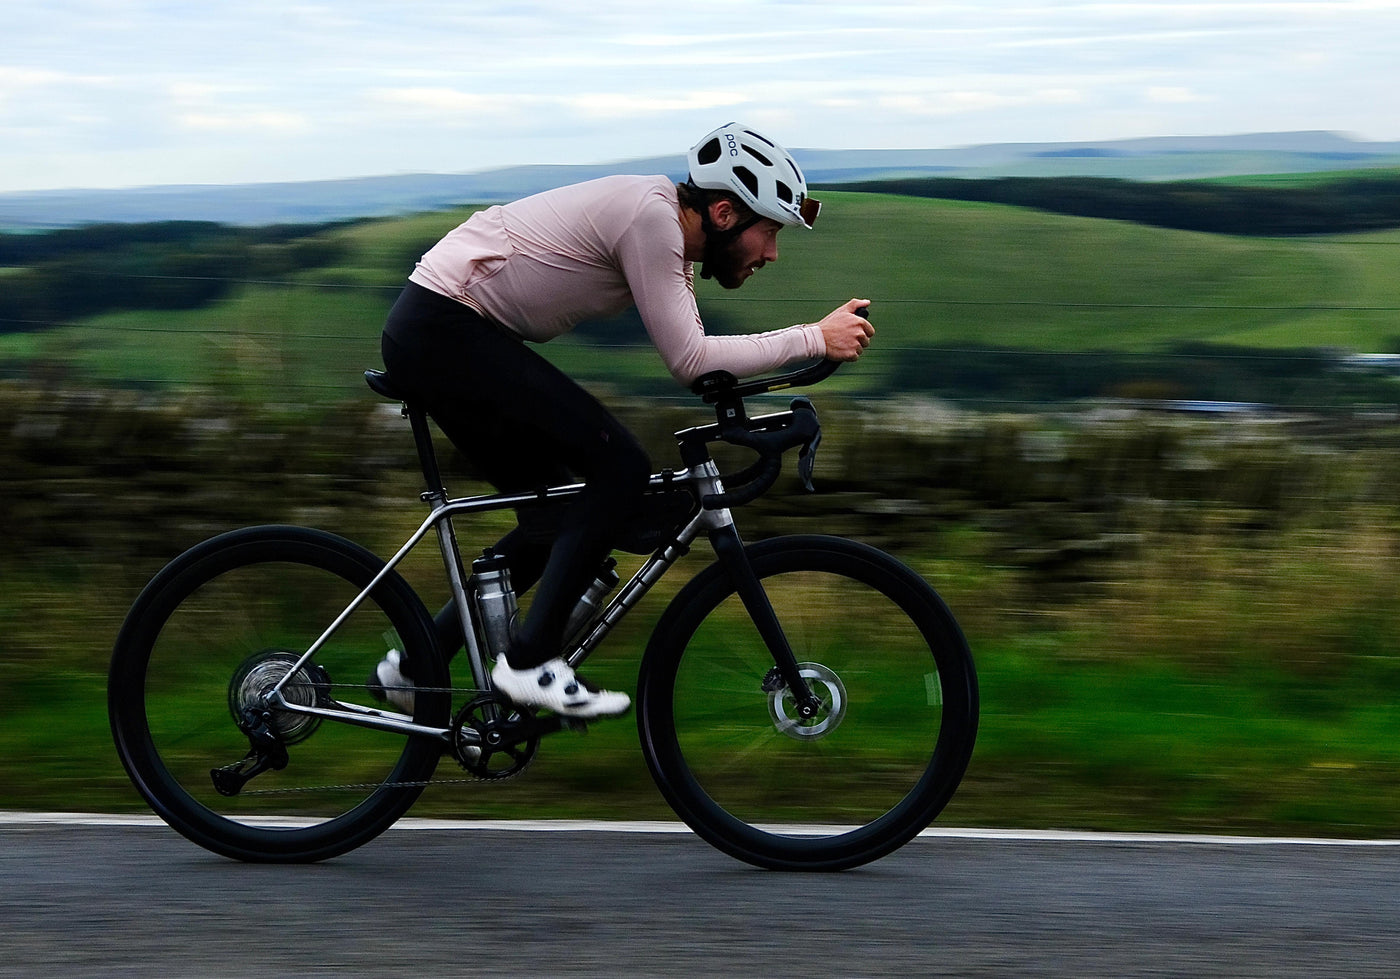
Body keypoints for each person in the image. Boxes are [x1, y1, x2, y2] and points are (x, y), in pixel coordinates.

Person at [370, 122, 874, 719]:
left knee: (555, 518)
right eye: (768, 232)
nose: (771, 253)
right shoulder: (652, 219)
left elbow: (696, 364)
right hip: (443, 329)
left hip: (446, 331)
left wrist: (781, 382)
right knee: (619, 466)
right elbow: (692, 360)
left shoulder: (672, 243)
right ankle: (528, 666)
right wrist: (814, 338)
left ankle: (413, 669)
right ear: (722, 213)